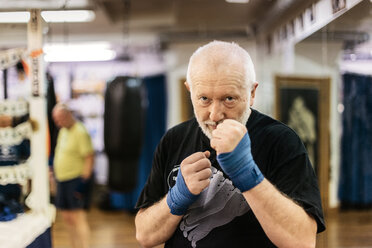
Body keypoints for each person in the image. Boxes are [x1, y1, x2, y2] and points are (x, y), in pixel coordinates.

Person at [135, 41, 325, 248]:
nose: (215, 114)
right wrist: (177, 196)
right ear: (190, 91)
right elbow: (145, 235)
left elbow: (303, 241)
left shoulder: (281, 141)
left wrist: (248, 175)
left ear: (252, 93)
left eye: (229, 99)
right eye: (204, 99)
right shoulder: (173, 140)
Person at [52, 103, 94, 248]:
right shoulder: (63, 131)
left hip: (75, 180)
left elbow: (89, 157)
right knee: (67, 218)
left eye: (59, 119)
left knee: (78, 218)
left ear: (67, 115)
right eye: (55, 120)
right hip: (62, 180)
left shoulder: (80, 131)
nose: (58, 123)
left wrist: (83, 184)